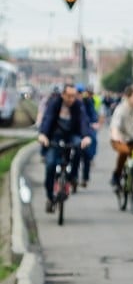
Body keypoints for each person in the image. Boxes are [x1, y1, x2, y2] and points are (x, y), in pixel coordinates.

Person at [37, 83, 92, 213]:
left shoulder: (78, 105)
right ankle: (50, 196)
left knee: (79, 146)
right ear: (63, 95)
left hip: (71, 135)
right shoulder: (55, 103)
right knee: (50, 164)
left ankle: (73, 176)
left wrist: (86, 136)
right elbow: (48, 119)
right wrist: (43, 135)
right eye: (69, 96)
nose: (71, 99)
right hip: (54, 136)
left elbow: (83, 121)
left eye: (74, 96)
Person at [109, 85, 133, 188]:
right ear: (127, 97)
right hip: (121, 138)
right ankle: (117, 174)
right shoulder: (121, 109)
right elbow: (115, 125)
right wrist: (116, 136)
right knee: (124, 152)